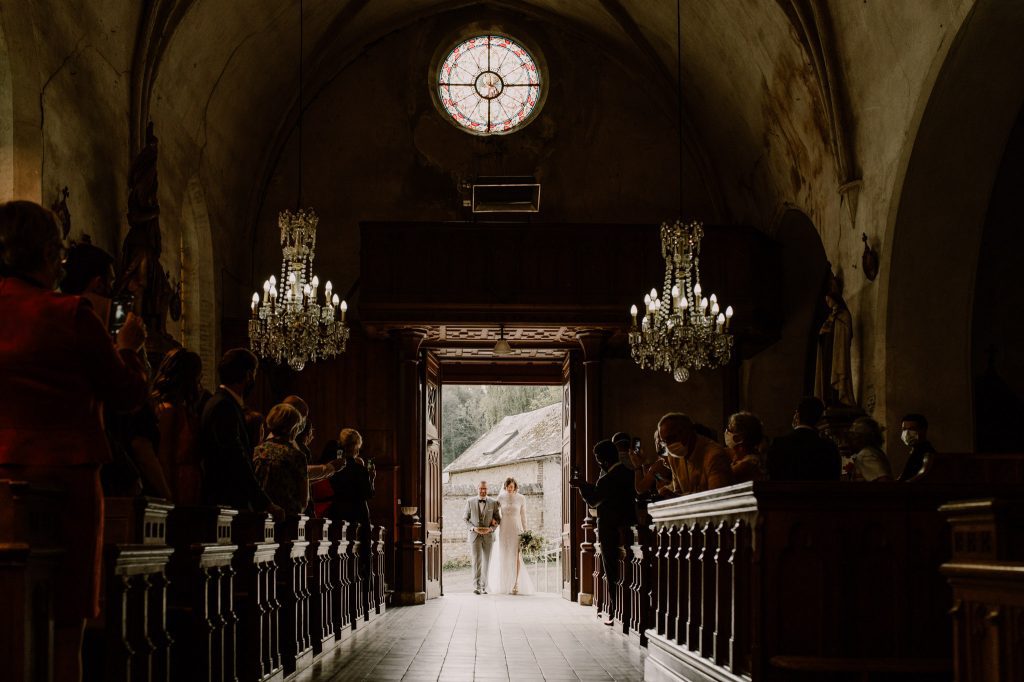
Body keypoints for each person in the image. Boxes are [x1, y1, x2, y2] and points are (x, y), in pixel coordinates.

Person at [0, 200, 149, 681]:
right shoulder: (70, 314)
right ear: (49, 253)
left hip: (2, 481)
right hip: (65, 478)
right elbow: (125, 396)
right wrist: (128, 351)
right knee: (67, 623)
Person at [199, 348, 283, 518]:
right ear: (247, 375)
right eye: (254, 373)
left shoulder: (220, 402)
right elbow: (235, 457)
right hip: (226, 500)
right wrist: (265, 503)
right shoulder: (224, 406)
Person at [570, 440, 636, 625]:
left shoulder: (607, 478)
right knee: (627, 572)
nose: (597, 462)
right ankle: (626, 612)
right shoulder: (628, 473)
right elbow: (604, 493)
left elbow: (594, 500)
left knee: (612, 571)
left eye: (598, 459)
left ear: (603, 459)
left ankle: (617, 612)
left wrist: (582, 486)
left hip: (610, 529)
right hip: (628, 527)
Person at [253, 403, 341, 515]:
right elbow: (303, 500)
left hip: (259, 515)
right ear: (293, 428)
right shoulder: (296, 455)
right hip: (287, 517)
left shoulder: (257, 450)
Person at [152, 348, 205, 504]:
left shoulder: (185, 410)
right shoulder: (167, 411)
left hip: (191, 483)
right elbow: (164, 457)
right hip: (178, 485)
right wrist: (169, 496)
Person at [328, 428, 376, 579]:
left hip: (338, 511)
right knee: (363, 552)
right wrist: (371, 478)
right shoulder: (359, 469)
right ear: (356, 446)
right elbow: (368, 494)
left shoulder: (334, 467)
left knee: (338, 551)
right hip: (358, 512)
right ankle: (364, 586)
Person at [766, 396, 841, 481]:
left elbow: (773, 477)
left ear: (797, 415)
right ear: (819, 419)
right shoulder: (829, 448)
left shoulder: (779, 444)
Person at [658, 412, 733, 495]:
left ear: (687, 431)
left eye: (671, 438)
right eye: (664, 442)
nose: (668, 446)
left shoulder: (714, 456)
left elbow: (718, 497)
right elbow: (678, 491)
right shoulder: (674, 457)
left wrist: (676, 498)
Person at [488, 477, 535, 595]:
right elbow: (494, 512)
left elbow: (523, 516)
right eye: (508, 487)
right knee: (504, 554)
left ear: (515, 487)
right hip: (504, 529)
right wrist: (492, 521)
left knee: (516, 556)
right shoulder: (500, 498)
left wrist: (526, 531)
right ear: (505, 487)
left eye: (511, 487)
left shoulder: (521, 498)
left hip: (516, 529)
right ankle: (504, 583)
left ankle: (515, 583)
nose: (509, 489)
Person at [815, 275, 856, 407]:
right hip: (828, 351)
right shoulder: (830, 317)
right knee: (827, 375)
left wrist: (833, 328)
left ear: (834, 299)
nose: (828, 303)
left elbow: (845, 330)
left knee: (836, 373)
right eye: (826, 301)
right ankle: (829, 398)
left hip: (837, 351)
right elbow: (823, 332)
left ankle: (840, 398)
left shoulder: (842, 314)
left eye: (829, 301)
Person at [464, 480, 501, 594]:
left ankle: (485, 586)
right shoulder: (470, 501)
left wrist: (491, 529)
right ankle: (477, 587)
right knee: (476, 561)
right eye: (481, 488)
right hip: (474, 536)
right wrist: (473, 528)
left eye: (485, 489)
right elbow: (465, 518)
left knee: (487, 561)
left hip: (489, 536)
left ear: (487, 489)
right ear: (477, 488)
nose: (483, 491)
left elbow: (498, 519)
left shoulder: (493, 502)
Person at [627, 431, 674, 499]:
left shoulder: (660, 464)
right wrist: (644, 462)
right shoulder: (663, 463)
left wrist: (637, 467)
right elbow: (655, 477)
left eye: (657, 440)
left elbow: (640, 489)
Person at [725, 411, 766, 483]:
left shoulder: (748, 463)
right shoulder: (738, 458)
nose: (727, 433)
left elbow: (722, 477)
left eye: (730, 429)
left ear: (740, 437)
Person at [848, 417, 893, 481]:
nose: (850, 439)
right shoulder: (874, 451)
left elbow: (883, 480)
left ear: (862, 438)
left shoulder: (866, 454)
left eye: (853, 435)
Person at [897, 413, 936, 481]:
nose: (906, 433)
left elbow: (920, 477)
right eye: (904, 429)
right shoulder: (915, 451)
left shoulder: (927, 452)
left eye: (912, 429)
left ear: (923, 430)